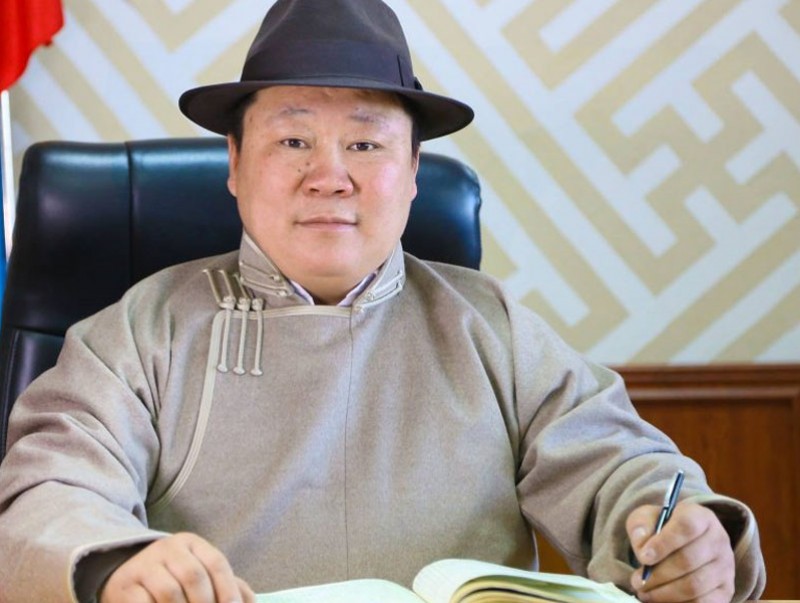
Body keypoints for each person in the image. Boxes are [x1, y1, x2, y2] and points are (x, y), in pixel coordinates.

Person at [0, 1, 765, 602]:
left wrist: (682, 536)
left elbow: (622, 465)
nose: (329, 176)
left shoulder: (491, 329)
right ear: (233, 162)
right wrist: (117, 565)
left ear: (414, 170)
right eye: (293, 141)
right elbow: (49, 490)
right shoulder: (140, 331)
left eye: (365, 144)